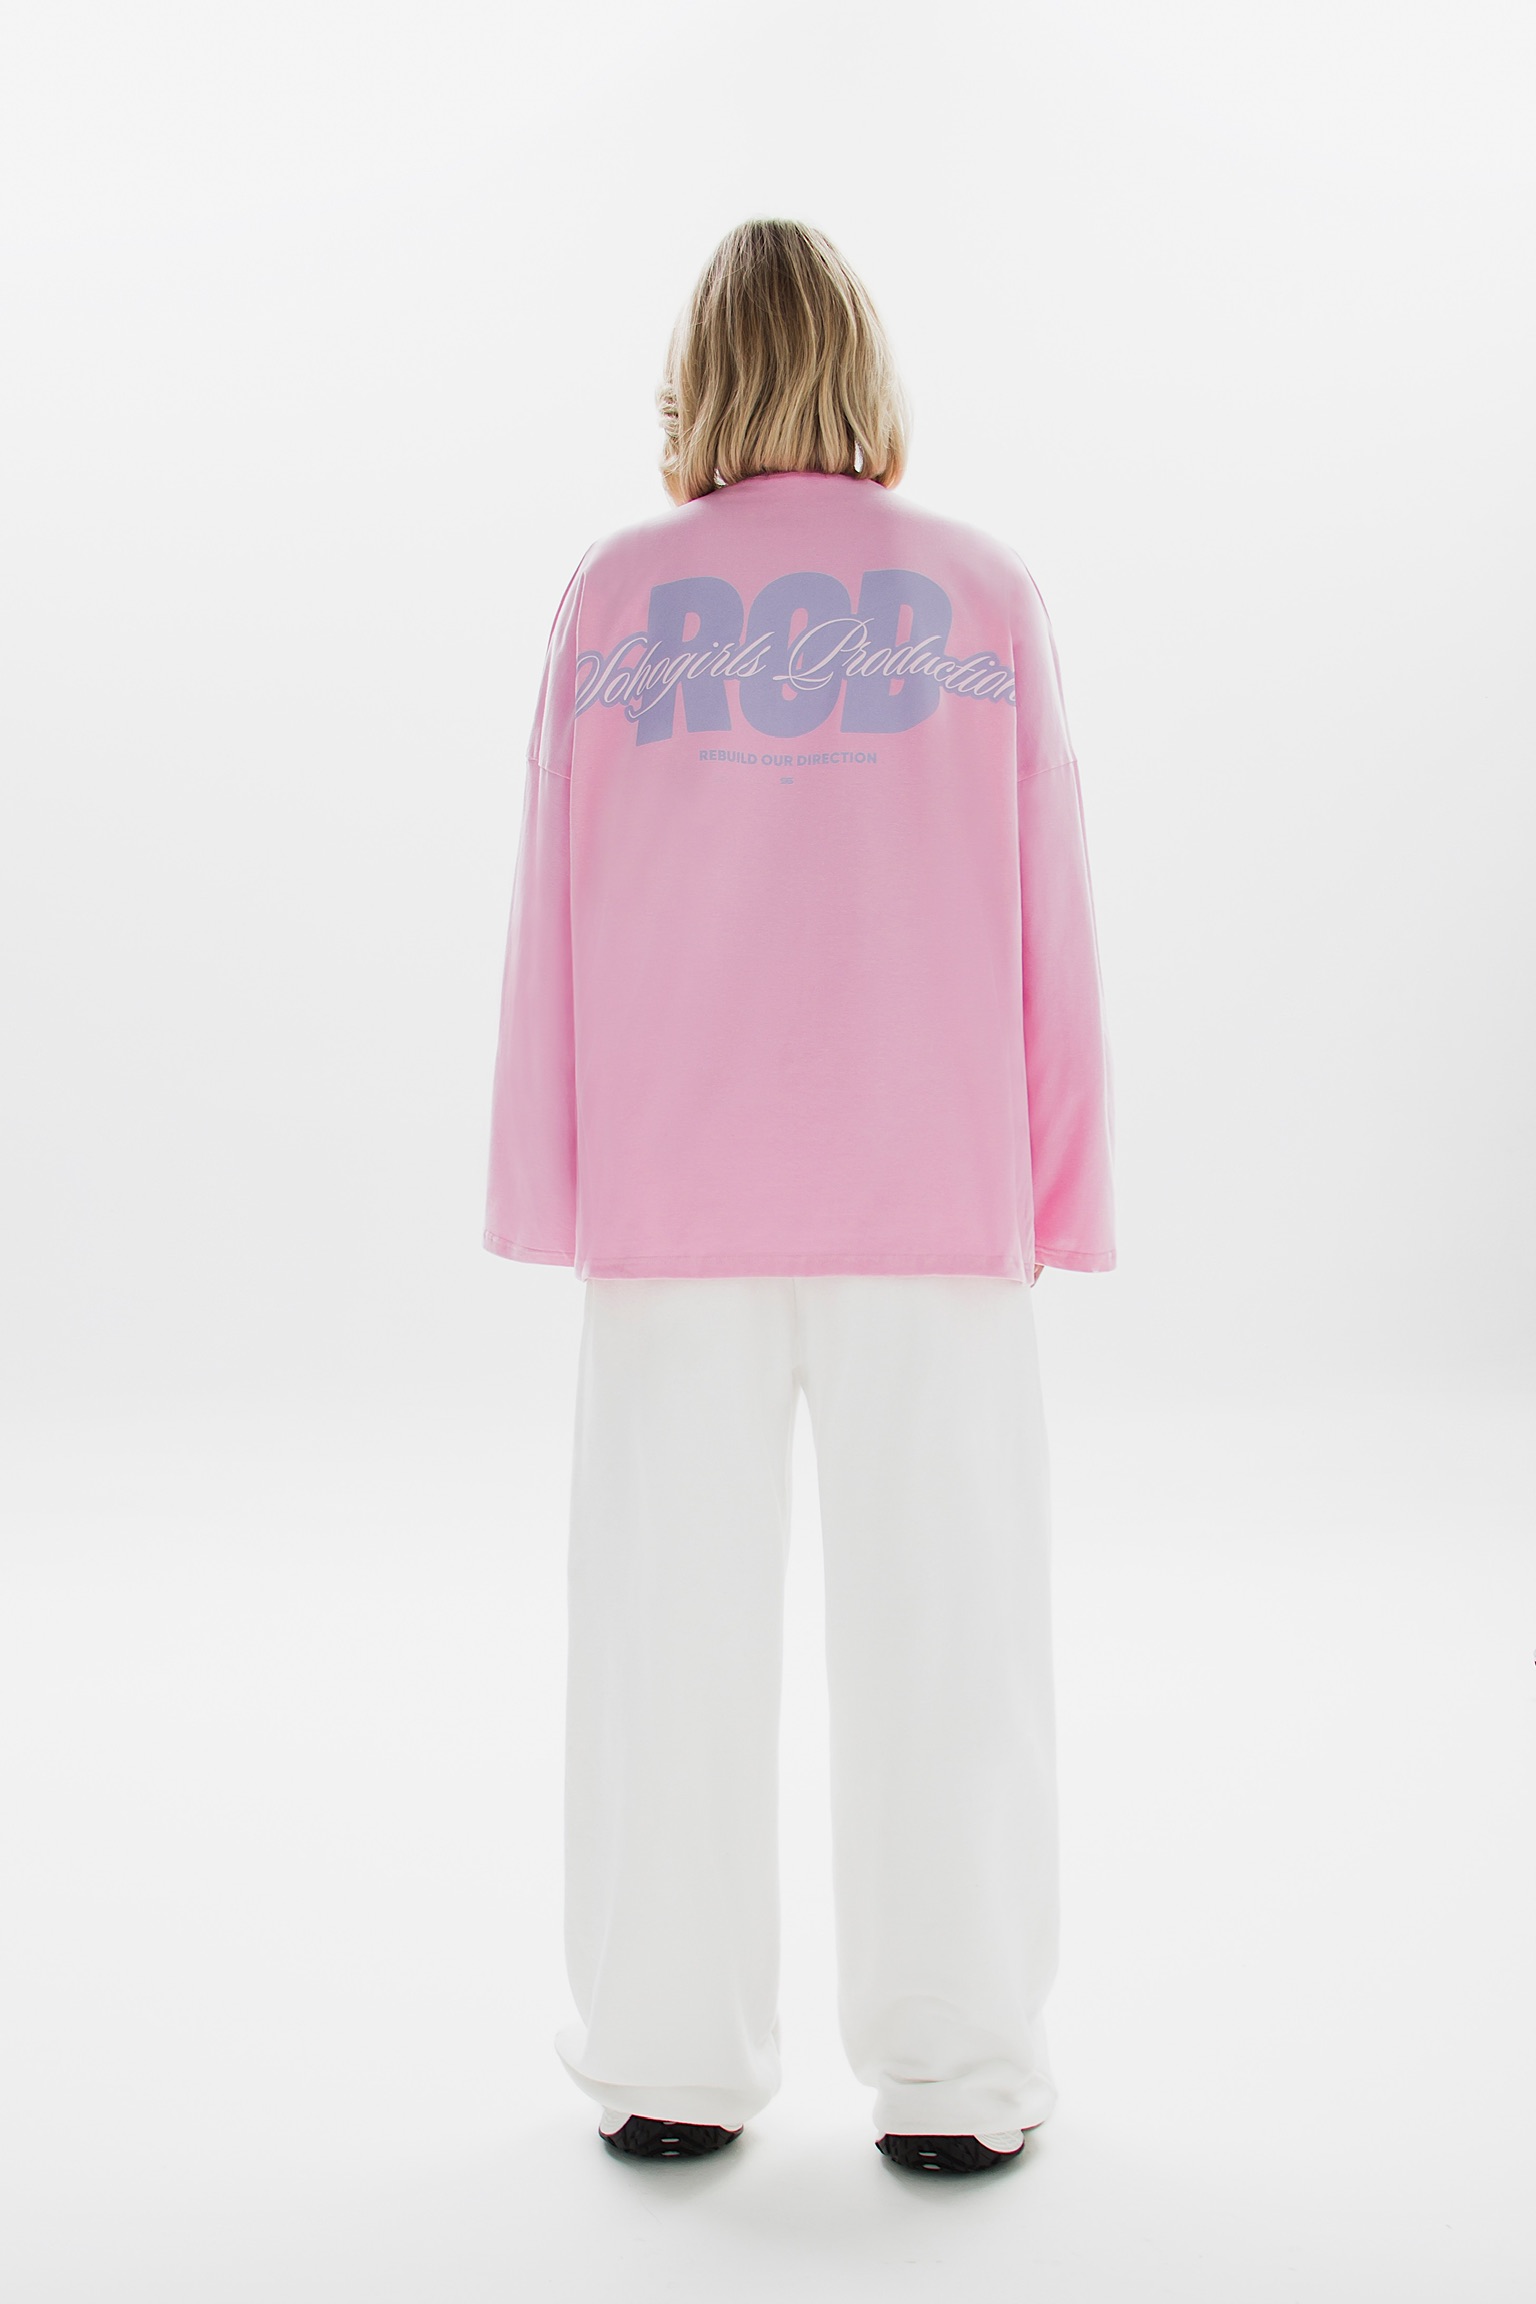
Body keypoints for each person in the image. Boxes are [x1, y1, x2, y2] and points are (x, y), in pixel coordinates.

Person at [483, 219, 1115, 2177]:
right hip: (936, 1207)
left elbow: (551, 907)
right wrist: (1061, 1194)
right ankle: (958, 2076)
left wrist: (552, 1189)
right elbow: (1052, 912)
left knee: (661, 1644)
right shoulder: (984, 592)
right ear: (867, 370)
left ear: (696, 380)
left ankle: (669, 2063)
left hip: (674, 1209)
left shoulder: (615, 595)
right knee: (955, 1644)